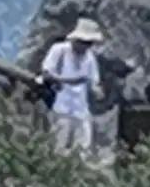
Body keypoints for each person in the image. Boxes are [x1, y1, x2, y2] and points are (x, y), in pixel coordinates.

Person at [43, 17, 112, 160]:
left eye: (89, 43)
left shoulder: (90, 58)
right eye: (83, 42)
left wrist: (97, 91)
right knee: (58, 149)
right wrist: (69, 81)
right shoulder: (59, 51)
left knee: (82, 151)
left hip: (81, 111)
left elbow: (93, 81)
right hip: (61, 109)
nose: (85, 47)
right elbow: (46, 74)